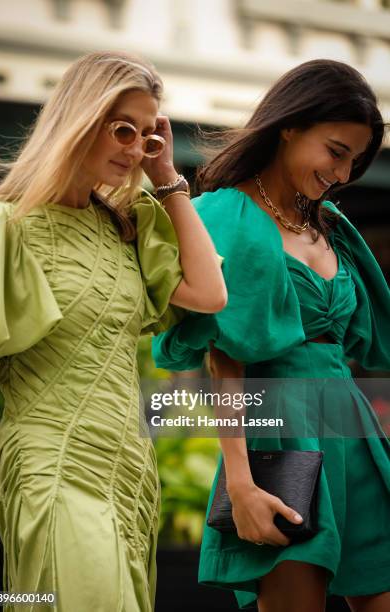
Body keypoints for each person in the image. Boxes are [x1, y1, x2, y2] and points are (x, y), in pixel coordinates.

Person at [0, 50, 227, 611]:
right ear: (80, 120)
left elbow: (211, 294)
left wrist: (168, 180)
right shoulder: (1, 228)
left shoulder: (126, 227)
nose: (134, 147)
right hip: (53, 460)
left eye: (146, 135)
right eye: (122, 128)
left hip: (129, 467)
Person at [152, 59, 390, 611]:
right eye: (336, 151)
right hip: (280, 439)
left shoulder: (331, 224)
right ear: (290, 125)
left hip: (353, 433)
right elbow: (225, 360)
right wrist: (240, 481)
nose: (344, 173)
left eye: (355, 161)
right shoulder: (225, 215)